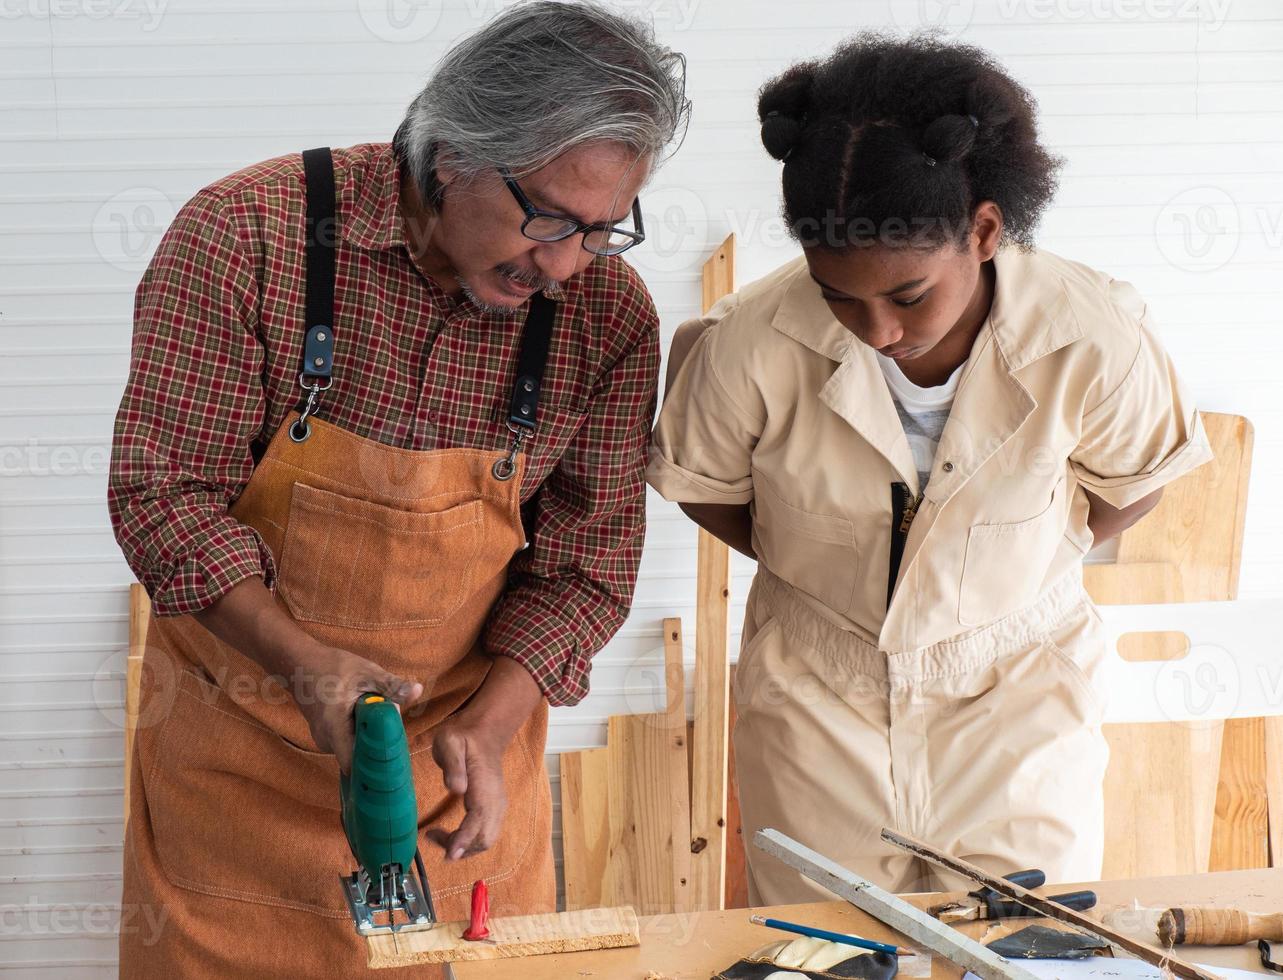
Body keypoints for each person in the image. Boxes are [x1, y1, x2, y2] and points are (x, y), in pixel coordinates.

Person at [108, 3, 688, 975]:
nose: (560, 266)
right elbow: (162, 493)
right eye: (544, 218)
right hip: (238, 768)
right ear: (451, 152)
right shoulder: (246, 239)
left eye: (597, 231)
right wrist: (302, 663)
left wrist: (492, 725)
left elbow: (584, 568)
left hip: (460, 778)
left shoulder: (602, 314)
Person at [647, 33, 1212, 904]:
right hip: (815, 684)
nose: (875, 330)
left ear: (982, 230)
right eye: (838, 295)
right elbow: (710, 491)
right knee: (824, 945)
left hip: (1016, 683)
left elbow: (1134, 481)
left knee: (1031, 943)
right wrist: (830, 561)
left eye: (907, 295)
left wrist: (1000, 559)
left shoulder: (1093, 332)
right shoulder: (747, 344)